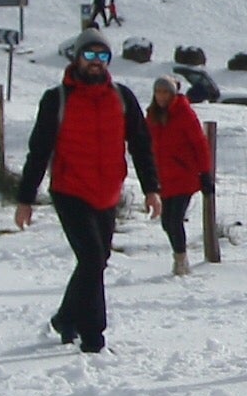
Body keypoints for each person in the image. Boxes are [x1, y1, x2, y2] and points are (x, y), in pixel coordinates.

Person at [12, 35, 160, 353]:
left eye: (103, 56)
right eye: (90, 54)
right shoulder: (57, 99)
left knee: (96, 261)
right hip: (69, 190)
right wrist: (26, 199)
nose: (96, 61)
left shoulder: (122, 98)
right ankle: (94, 337)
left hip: (107, 193)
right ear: (77, 58)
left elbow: (141, 145)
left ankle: (66, 317)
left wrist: (152, 189)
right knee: (93, 258)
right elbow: (38, 151)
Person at [147, 75, 214, 274]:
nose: (161, 96)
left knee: (174, 220)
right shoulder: (151, 115)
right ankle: (180, 256)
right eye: (158, 91)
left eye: (165, 91)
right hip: (164, 178)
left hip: (184, 175)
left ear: (172, 93)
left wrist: (205, 173)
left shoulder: (184, 113)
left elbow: (199, 144)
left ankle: (181, 261)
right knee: (167, 222)